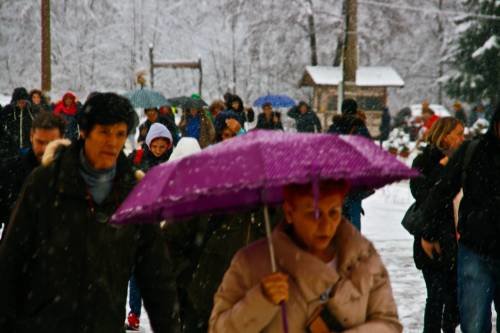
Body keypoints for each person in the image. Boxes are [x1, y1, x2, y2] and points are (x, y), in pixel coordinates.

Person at [0, 92, 179, 332]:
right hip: (44, 322)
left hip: (103, 322)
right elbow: (12, 259)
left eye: (120, 134)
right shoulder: (46, 183)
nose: (112, 142)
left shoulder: (133, 193)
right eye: (104, 132)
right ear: (84, 133)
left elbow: (156, 275)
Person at [209, 180, 402, 332]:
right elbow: (218, 329)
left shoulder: (363, 258)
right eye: (314, 214)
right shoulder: (252, 263)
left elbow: (389, 323)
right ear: (289, 212)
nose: (326, 226)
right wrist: (260, 300)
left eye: (334, 213)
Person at [421, 103, 500, 333]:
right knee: (474, 323)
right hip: (475, 248)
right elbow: (441, 192)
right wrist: (428, 232)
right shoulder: (473, 152)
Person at [410, 117, 464, 333]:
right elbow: (423, 196)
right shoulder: (423, 161)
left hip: (459, 239)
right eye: (458, 133)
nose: (462, 138)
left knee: (455, 298)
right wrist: (442, 169)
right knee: (436, 296)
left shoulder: (463, 161)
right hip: (432, 237)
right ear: (444, 135)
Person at [0, 112, 66, 238]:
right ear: (31, 136)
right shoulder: (9, 170)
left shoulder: (72, 172)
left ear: (62, 139)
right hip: (16, 249)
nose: (45, 149)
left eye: (51, 143)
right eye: (40, 142)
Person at [328, 99, 372, 231]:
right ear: (355, 110)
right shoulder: (360, 128)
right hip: (355, 178)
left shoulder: (333, 128)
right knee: (354, 212)